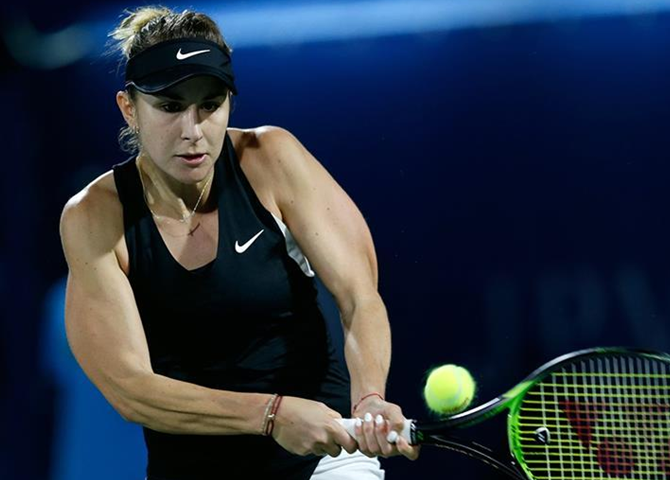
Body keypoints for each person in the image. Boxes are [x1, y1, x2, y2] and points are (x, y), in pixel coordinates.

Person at [58, 5, 419, 480]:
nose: (192, 131)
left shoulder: (272, 158)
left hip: (324, 457)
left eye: (210, 105)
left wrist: (369, 396)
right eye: (169, 107)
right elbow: (131, 389)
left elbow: (359, 297)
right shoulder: (93, 216)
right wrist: (271, 415)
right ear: (130, 108)